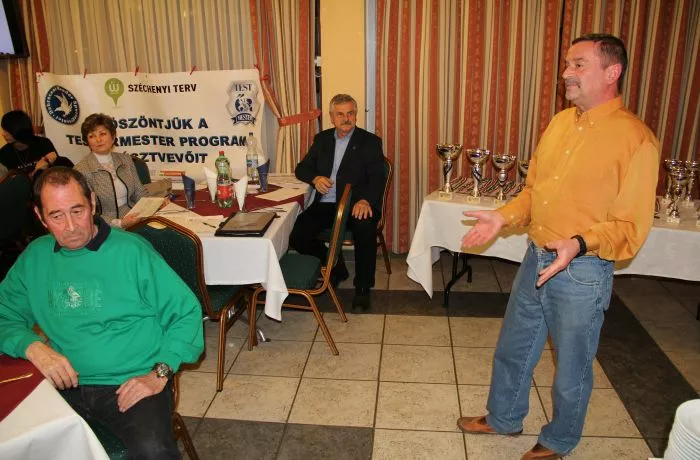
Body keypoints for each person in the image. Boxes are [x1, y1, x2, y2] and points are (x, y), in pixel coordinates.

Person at [457, 34, 659, 460]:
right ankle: (504, 417)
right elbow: (535, 192)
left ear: (612, 71)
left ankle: (559, 440)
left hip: (582, 269)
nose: (566, 73)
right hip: (536, 256)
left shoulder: (636, 139)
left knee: (572, 366)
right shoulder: (561, 123)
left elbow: (630, 227)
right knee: (514, 347)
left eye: (579, 64)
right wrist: (503, 216)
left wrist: (580, 243)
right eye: (567, 64)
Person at [0, 167, 203, 459]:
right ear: (40, 216)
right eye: (56, 216)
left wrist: (159, 373)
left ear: (93, 203)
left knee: (153, 451)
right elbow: (4, 315)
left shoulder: (132, 251)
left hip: (131, 382)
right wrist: (32, 347)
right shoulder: (35, 257)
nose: (71, 226)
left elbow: (185, 312)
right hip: (63, 383)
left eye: (77, 211)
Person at [290, 94, 386, 311]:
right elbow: (302, 168)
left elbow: (377, 178)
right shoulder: (322, 139)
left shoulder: (370, 142)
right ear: (332, 117)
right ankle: (335, 266)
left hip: (356, 203)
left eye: (350, 113)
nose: (346, 118)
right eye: (340, 114)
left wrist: (365, 200)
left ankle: (363, 287)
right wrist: (315, 178)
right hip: (326, 203)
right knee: (298, 235)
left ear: (356, 115)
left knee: (365, 228)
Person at [75, 113, 146, 227]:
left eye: (102, 134)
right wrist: (121, 223)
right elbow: (88, 211)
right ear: (87, 141)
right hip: (105, 226)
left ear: (113, 137)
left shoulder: (126, 160)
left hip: (136, 216)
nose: (98, 139)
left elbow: (139, 192)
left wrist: (154, 205)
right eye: (92, 136)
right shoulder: (81, 170)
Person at [0, 110, 66, 176]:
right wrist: (36, 170)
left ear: (18, 128)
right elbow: (7, 180)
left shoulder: (43, 143)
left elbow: (58, 172)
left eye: (6, 131)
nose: (3, 134)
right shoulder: (3, 153)